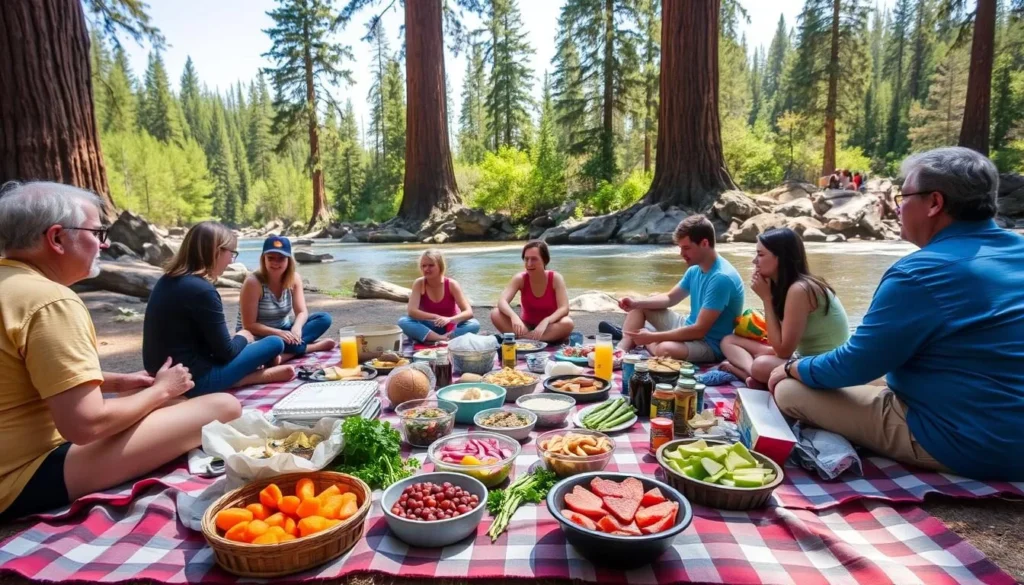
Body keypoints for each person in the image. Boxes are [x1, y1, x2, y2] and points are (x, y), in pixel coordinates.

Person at [768, 147, 1024, 481]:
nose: (897, 206)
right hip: (999, 424)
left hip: (974, 443)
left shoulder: (919, 272)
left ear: (934, 203)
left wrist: (791, 368)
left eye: (903, 195)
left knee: (789, 390)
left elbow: (855, 364)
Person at [0, 182, 241, 521]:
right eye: (98, 232)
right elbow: (85, 426)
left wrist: (116, 382)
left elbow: (22, 377)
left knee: (173, 402)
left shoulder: (10, 286)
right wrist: (160, 390)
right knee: (223, 405)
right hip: (21, 478)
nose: (106, 243)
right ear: (56, 238)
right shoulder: (49, 301)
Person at [144, 222, 294, 396]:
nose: (231, 260)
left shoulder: (166, 280)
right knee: (274, 342)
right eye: (232, 253)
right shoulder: (202, 290)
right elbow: (226, 353)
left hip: (160, 371)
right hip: (190, 379)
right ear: (217, 251)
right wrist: (243, 336)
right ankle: (241, 379)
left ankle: (240, 376)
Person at [718, 228, 850, 388]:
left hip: (824, 366)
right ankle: (751, 373)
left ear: (781, 258)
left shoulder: (800, 289)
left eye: (760, 255)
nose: (754, 261)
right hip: (802, 356)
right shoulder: (787, 287)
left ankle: (751, 373)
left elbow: (782, 351)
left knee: (761, 364)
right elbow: (779, 342)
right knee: (729, 341)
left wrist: (766, 299)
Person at [608, 215, 744, 363]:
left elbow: (699, 330)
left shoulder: (721, 278)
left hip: (709, 344)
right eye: (680, 248)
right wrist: (635, 303)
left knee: (664, 350)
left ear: (704, 243)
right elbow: (670, 298)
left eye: (686, 248)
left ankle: (646, 339)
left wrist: (653, 337)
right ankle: (621, 350)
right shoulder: (695, 270)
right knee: (642, 305)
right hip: (687, 325)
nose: (681, 254)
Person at [238, 236, 336, 362]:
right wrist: (278, 333)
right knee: (275, 342)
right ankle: (311, 347)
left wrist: (297, 328)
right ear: (264, 259)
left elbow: (301, 312)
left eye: (281, 258)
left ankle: (284, 354)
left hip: (285, 330)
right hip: (259, 336)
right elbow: (249, 325)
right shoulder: (253, 283)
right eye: (271, 258)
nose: (275, 263)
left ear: (289, 260)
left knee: (324, 318)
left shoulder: (294, 279)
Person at [491, 241, 574, 342]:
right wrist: (514, 316)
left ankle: (525, 339)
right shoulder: (520, 278)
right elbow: (502, 301)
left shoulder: (556, 278)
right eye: (526, 259)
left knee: (567, 323)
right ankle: (532, 338)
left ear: (544, 260)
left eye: (534, 259)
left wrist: (547, 320)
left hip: (549, 327)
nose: (529, 264)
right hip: (525, 327)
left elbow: (564, 308)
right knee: (495, 313)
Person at [398, 249, 480, 343]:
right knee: (403, 321)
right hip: (428, 326)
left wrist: (449, 319)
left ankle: (438, 338)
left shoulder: (451, 284)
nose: (426, 269)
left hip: (450, 327)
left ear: (440, 266)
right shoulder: (419, 283)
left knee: (474, 324)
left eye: (431, 265)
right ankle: (441, 338)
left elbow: (468, 312)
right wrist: (436, 317)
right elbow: (412, 311)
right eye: (423, 266)